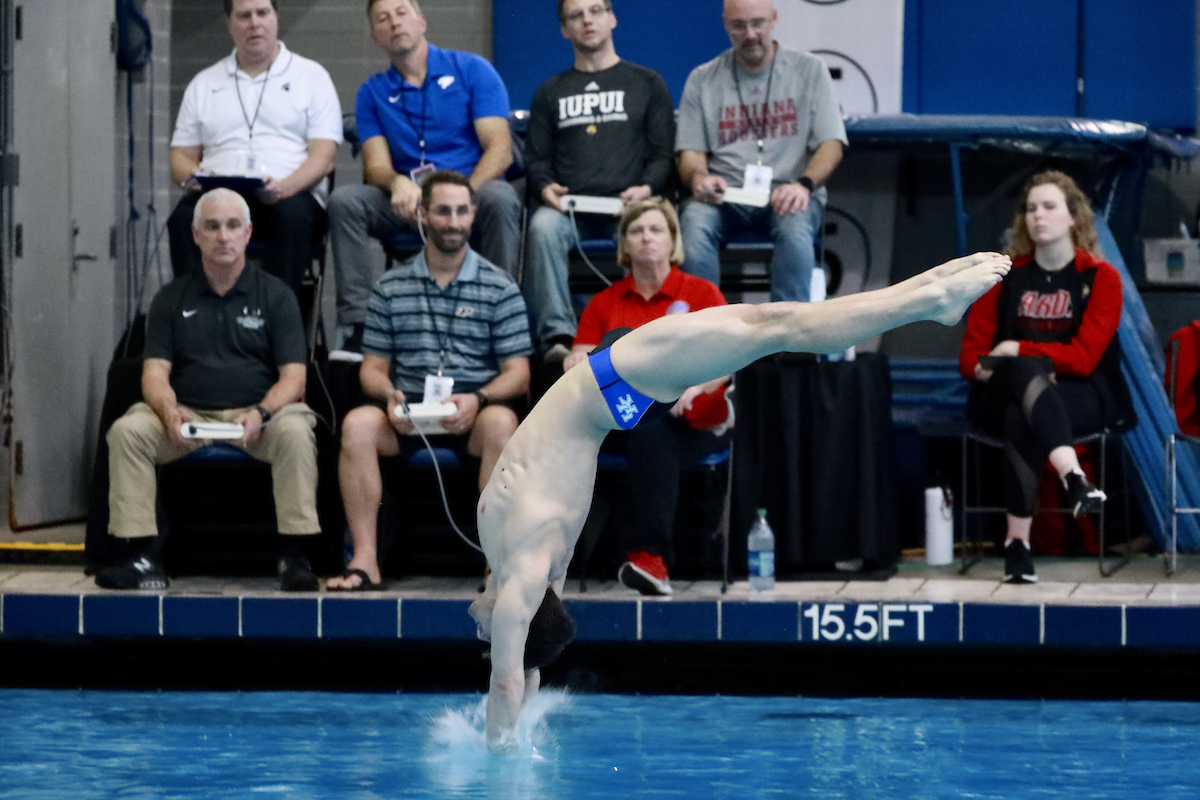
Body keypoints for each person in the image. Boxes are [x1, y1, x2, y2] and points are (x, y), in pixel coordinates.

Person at [469, 243, 1013, 752]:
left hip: (615, 389)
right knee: (774, 326)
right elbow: (510, 677)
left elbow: (525, 665)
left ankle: (928, 292)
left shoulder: (519, 568)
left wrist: (515, 705)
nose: (475, 624)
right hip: (612, 385)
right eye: (486, 632)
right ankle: (930, 301)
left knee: (773, 324)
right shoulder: (528, 567)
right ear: (513, 619)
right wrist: (499, 753)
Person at [97, 188, 321, 592]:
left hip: (258, 418)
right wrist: (168, 411)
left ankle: (295, 555)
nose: (223, 236)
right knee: (127, 432)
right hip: (187, 417)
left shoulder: (277, 296)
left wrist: (263, 413)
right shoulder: (169, 299)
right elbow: (153, 375)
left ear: (248, 232)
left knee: (296, 431)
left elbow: (294, 379)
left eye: (233, 226)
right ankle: (140, 552)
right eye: (212, 226)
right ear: (195, 234)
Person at [327, 171, 532, 591]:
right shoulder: (389, 286)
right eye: (442, 211)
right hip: (408, 412)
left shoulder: (500, 286)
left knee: (502, 425)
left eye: (461, 211)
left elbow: (519, 373)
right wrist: (388, 396)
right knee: (358, 425)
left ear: (474, 215)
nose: (453, 221)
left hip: (472, 410)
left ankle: (497, 567)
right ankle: (365, 559)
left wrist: (479, 397)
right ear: (422, 214)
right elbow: (372, 369)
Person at [960, 171, 1132, 585]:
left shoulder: (1100, 278)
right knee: (1023, 375)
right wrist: (1018, 364)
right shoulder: (1002, 277)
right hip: (1000, 392)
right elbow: (970, 360)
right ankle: (1074, 477)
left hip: (1080, 395)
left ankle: (1017, 544)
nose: (1038, 216)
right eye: (1031, 208)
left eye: (1049, 207)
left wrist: (1020, 350)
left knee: (1025, 405)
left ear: (1073, 217)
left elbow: (1086, 359)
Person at [328, 0, 521, 350]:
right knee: (345, 201)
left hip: (470, 197)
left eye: (402, 12)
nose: (395, 23)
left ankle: (501, 313)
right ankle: (356, 326)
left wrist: (462, 196)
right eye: (383, 19)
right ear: (375, 36)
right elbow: (376, 167)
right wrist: (397, 182)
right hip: (411, 205)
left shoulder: (472, 69)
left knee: (502, 197)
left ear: (421, 21)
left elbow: (500, 150)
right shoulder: (372, 91)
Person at [561, 198, 731, 595]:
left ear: (673, 242)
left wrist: (695, 386)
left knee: (652, 430)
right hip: (624, 415)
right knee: (632, 425)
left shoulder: (701, 292)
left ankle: (653, 558)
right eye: (636, 231)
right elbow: (579, 356)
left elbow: (728, 358)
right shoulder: (606, 302)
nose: (646, 238)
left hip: (691, 418)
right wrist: (575, 361)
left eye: (657, 230)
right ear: (624, 245)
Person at [523, 0, 676, 358]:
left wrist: (647, 189)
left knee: (651, 231)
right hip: (568, 210)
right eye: (576, 15)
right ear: (564, 29)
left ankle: (650, 328)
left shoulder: (647, 83)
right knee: (542, 228)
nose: (587, 20)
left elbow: (662, 155)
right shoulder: (550, 92)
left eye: (595, 11)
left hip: (629, 209)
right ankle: (557, 338)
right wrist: (546, 186)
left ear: (612, 18)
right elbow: (536, 159)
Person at [168, 0, 343, 297]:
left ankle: (272, 320)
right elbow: (180, 157)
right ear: (229, 24)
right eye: (244, 15)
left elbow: (324, 157)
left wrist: (285, 188)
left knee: (293, 217)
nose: (254, 23)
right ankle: (196, 317)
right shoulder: (205, 83)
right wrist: (194, 176)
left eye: (263, 13)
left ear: (276, 18)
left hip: (288, 198)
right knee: (182, 219)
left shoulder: (311, 77)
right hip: (219, 196)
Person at [676, 0, 846, 302]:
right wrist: (699, 179)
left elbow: (831, 144)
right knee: (694, 223)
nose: (750, 34)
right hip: (726, 195)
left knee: (794, 229)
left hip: (789, 190)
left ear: (774, 20)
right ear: (726, 26)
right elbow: (690, 153)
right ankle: (704, 331)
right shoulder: (702, 78)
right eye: (739, 26)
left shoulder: (809, 70)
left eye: (758, 23)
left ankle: (790, 337)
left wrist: (803, 185)